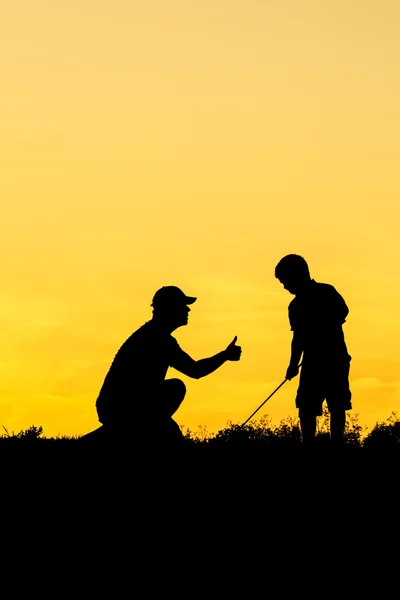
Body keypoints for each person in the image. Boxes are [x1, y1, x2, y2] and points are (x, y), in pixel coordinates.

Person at [95, 285, 242, 448]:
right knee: (175, 389)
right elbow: (195, 371)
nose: (188, 310)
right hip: (120, 407)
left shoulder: (153, 335)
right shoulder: (158, 339)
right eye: (182, 305)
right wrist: (225, 355)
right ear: (170, 309)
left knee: (169, 430)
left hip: (117, 406)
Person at [275, 254, 352, 447]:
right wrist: (293, 365)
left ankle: (337, 443)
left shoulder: (327, 291)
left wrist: (321, 325)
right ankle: (308, 444)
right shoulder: (294, 306)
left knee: (337, 404)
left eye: (285, 281)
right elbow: (297, 338)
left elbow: (343, 313)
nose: (285, 287)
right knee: (306, 406)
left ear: (298, 275)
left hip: (335, 360)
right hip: (311, 363)